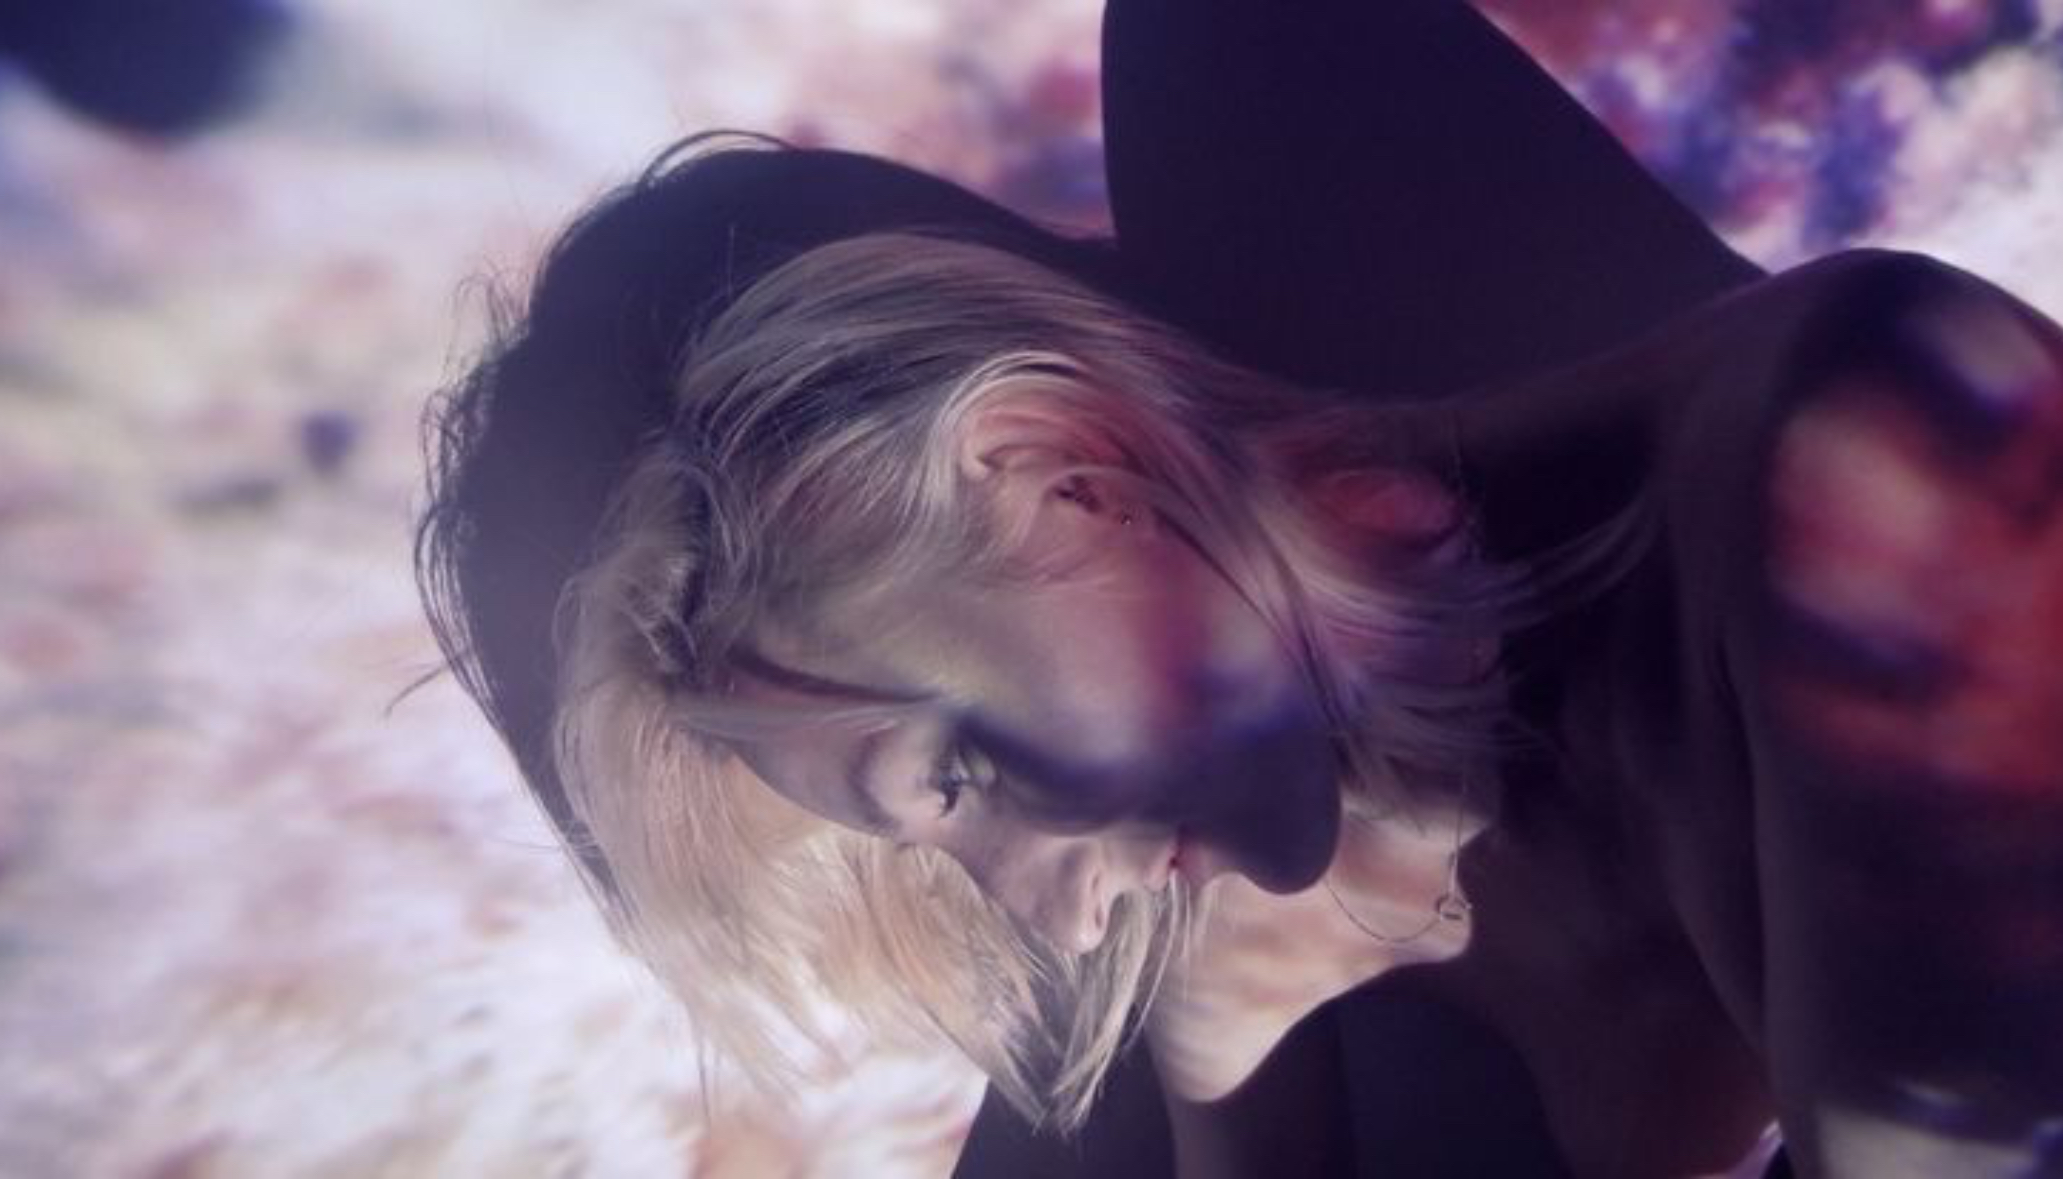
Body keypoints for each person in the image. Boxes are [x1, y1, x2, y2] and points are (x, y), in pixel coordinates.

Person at [411, 2, 2063, 1176]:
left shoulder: (1886, 460)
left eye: (958, 775)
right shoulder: (1235, 931)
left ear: (1052, 464)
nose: (1052, 907)